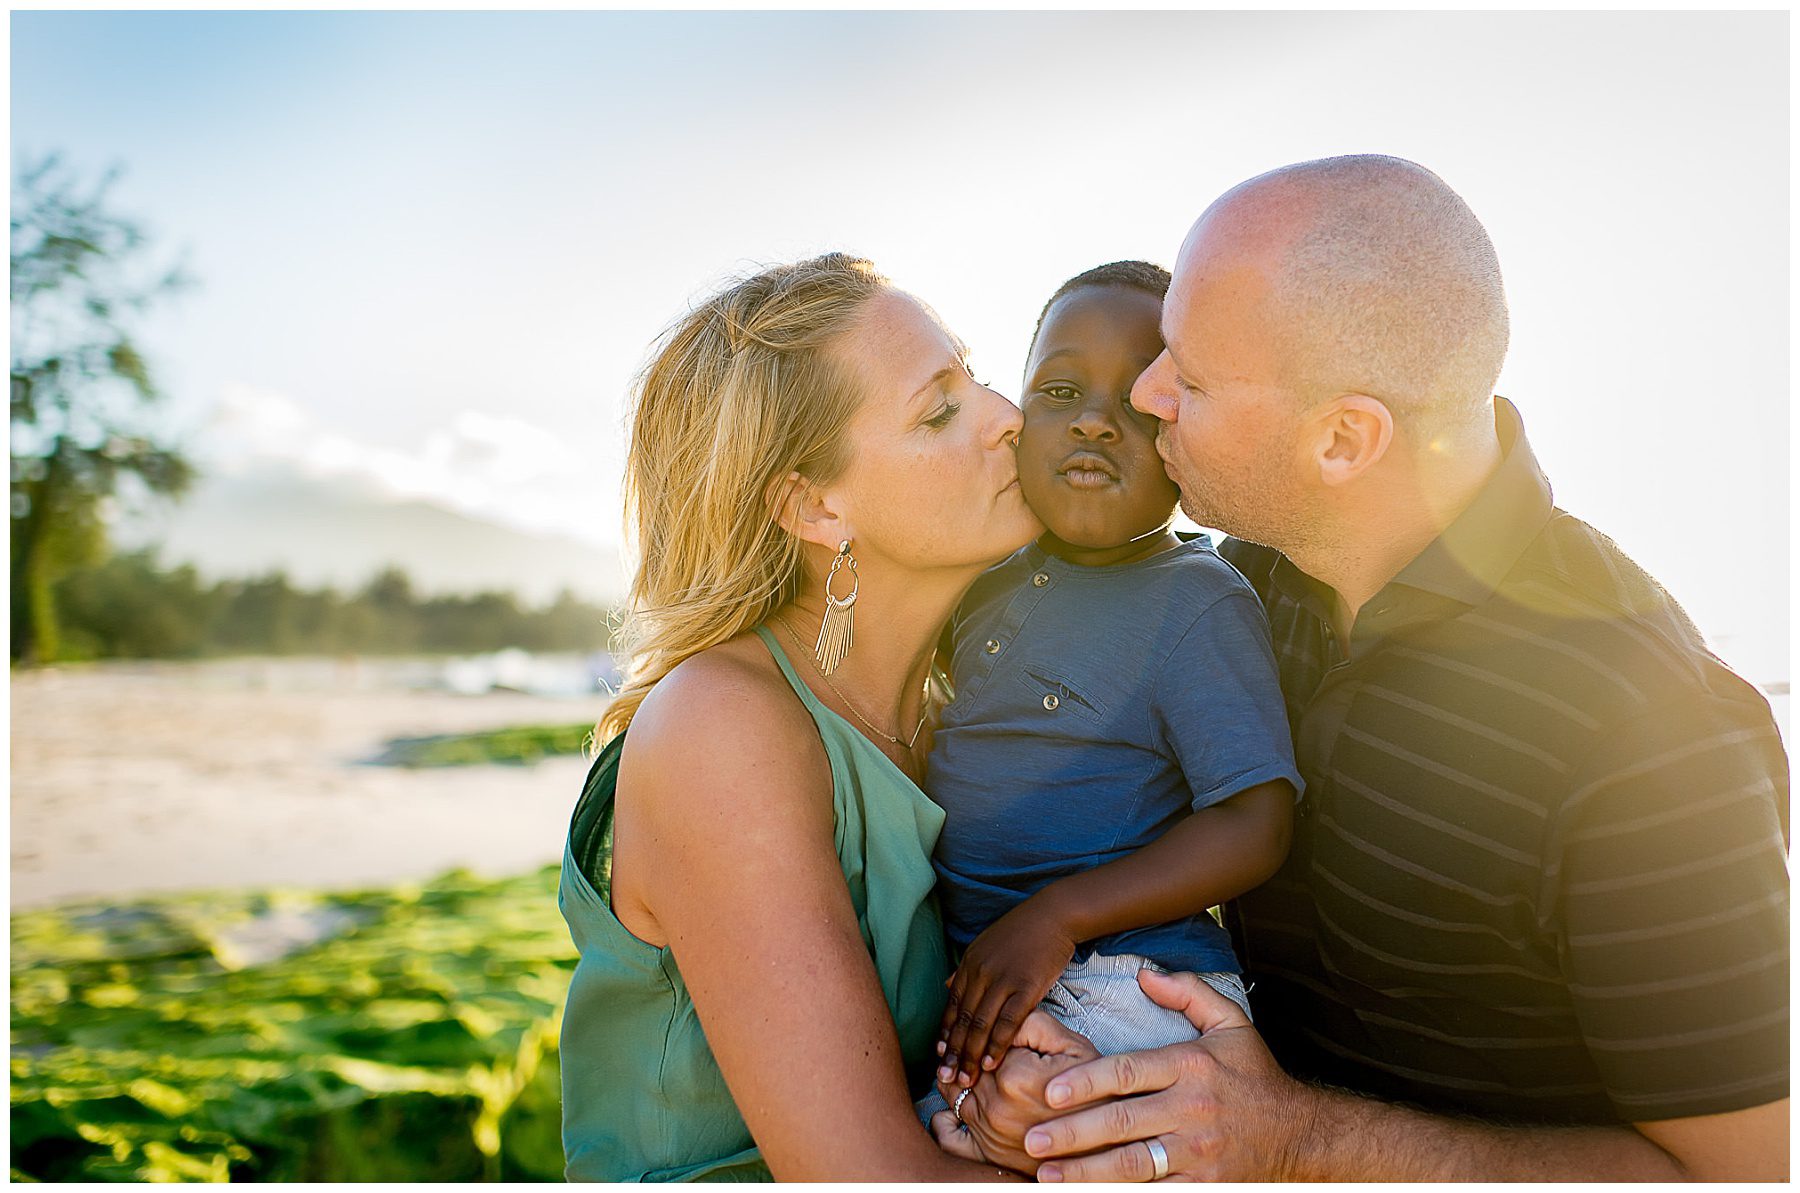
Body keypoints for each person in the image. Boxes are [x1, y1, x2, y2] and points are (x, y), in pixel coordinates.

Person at [933, 156, 1790, 1181]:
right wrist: (1053, 1080)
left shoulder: (1645, 728)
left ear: (1344, 438)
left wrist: (1294, 1141)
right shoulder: (1242, 587)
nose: (1148, 399)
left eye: (1187, 376)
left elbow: (1745, 1170)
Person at [557, 252, 1045, 1180]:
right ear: (813, 505)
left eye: (973, 376)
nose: (1007, 414)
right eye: (940, 410)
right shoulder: (721, 728)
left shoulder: (967, 715)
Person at [922, 261, 1299, 1105]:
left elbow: (1255, 823)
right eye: (1059, 392)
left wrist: (1057, 915)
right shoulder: (983, 576)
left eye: (1136, 402)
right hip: (989, 973)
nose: (1094, 421)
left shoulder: (1195, 600)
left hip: (1131, 982)